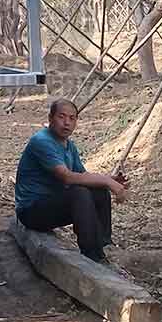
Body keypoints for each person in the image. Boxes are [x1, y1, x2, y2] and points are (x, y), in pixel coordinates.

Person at [14, 98, 128, 262]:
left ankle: (103, 245)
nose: (66, 123)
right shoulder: (42, 141)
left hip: (52, 204)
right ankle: (92, 256)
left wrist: (110, 180)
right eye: (61, 117)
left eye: (72, 118)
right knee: (79, 194)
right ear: (50, 118)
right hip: (31, 211)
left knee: (98, 191)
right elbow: (67, 177)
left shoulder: (69, 145)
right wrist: (108, 182)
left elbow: (83, 176)